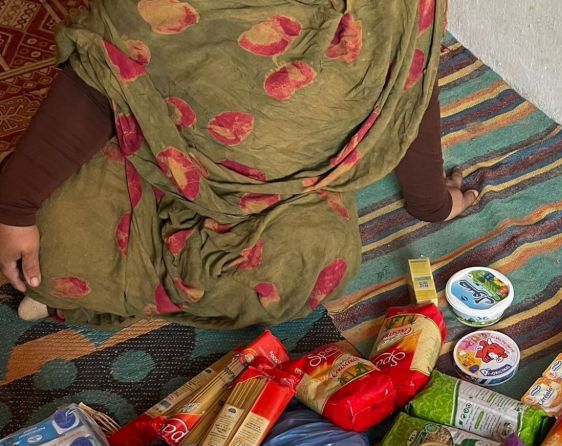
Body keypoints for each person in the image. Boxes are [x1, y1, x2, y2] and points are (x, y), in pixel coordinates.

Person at [0, 0, 477, 329]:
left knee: (316, 260)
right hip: (143, 139)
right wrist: (16, 208)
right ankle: (110, 284)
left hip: (275, 193)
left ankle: (110, 289)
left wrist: (431, 202)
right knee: (43, 249)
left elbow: (411, 78)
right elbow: (103, 71)